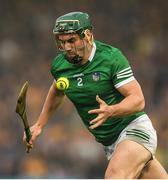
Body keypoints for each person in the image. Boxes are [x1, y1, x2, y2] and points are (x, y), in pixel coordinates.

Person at [24, 12, 168, 179]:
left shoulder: (111, 58)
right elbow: (57, 90)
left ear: (87, 35)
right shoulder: (59, 65)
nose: (67, 47)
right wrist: (40, 124)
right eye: (62, 42)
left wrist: (112, 110)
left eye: (71, 40)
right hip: (111, 143)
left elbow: (138, 100)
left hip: (134, 128)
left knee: (115, 176)